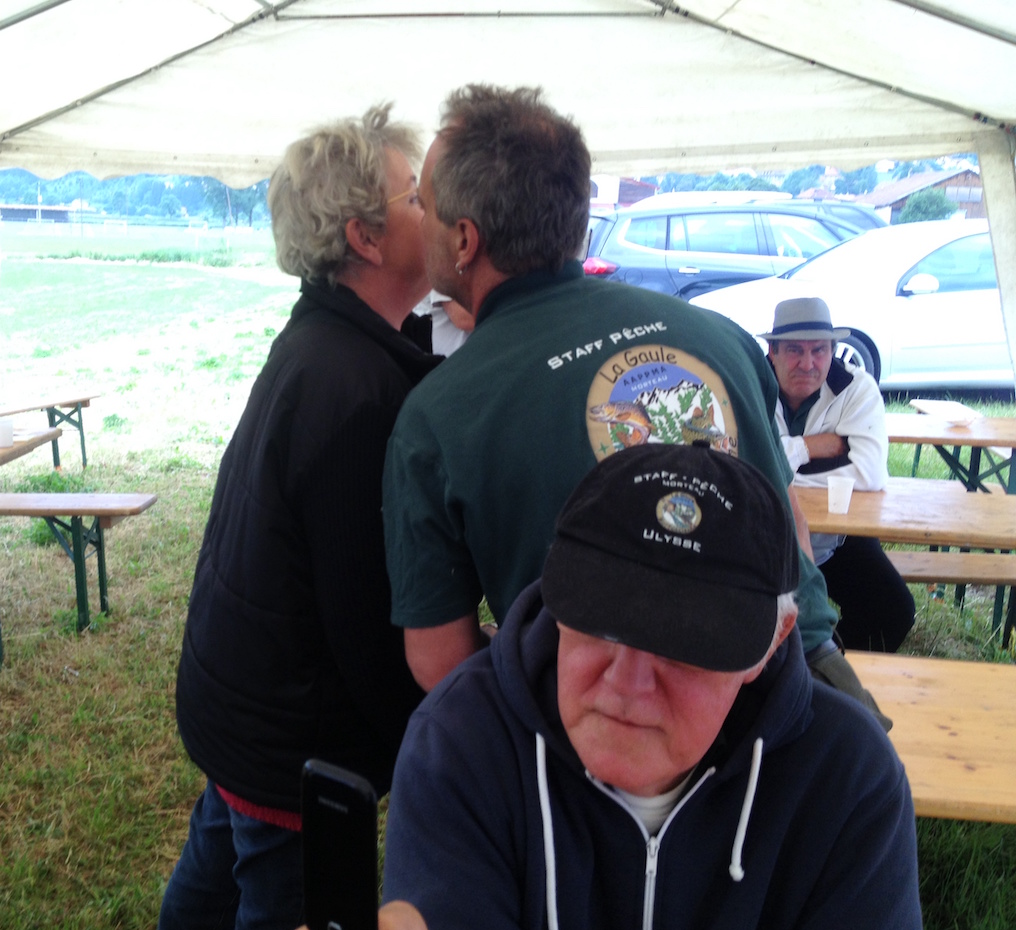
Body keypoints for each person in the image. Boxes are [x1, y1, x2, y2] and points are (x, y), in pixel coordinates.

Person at [282, 443, 926, 930]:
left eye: (684, 646)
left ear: (772, 641)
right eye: (598, 622)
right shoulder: (462, 745)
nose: (626, 681)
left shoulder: (845, 777)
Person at [381, 84, 891, 726]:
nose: (416, 220)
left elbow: (439, 662)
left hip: (621, 728)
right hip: (808, 692)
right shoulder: (722, 336)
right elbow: (788, 517)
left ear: (463, 240)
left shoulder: (437, 415)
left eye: (423, 206)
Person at [151, 103, 439, 930]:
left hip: (240, 699)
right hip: (291, 733)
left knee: (211, 879)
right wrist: (430, 735)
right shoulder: (353, 387)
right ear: (365, 236)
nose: (437, 208)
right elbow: (366, 615)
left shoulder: (327, 338)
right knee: (283, 929)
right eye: (416, 197)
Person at [764, 297, 916, 653]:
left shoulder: (856, 387)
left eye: (819, 350)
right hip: (765, 536)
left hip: (834, 539)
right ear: (772, 352)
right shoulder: (749, 384)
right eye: (794, 350)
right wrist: (812, 448)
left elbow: (869, 472)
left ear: (833, 351)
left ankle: (834, 671)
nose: (808, 363)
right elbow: (735, 460)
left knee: (893, 609)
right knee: (750, 617)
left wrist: (778, 461)